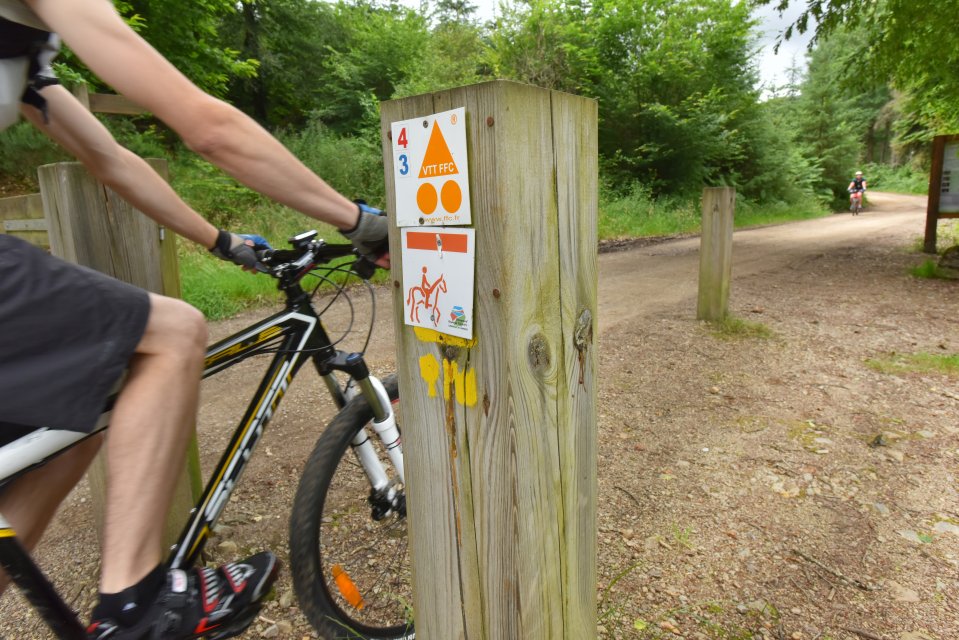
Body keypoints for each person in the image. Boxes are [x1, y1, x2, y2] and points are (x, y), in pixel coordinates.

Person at [0, 0, 389, 638]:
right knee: (174, 332)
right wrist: (358, 222)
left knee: (86, 402)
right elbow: (207, 126)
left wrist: (221, 240)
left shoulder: (25, 59)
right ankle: (137, 605)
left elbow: (111, 159)